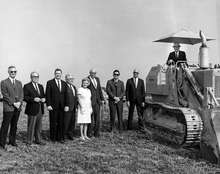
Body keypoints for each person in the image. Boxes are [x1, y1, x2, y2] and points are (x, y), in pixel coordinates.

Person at [0, 66, 23, 149]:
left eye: (14, 71)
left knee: (14, 125)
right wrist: (13, 103)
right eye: (11, 71)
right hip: (9, 108)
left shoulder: (19, 83)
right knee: (5, 125)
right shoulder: (4, 82)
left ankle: (12, 141)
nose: (13, 73)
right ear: (8, 72)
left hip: (17, 108)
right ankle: (2, 143)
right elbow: (5, 95)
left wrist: (19, 102)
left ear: (16, 72)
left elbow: (21, 94)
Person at [46, 68, 69, 143]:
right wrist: (48, 105)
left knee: (61, 122)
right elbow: (48, 95)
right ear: (54, 74)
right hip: (53, 107)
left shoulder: (64, 83)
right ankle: (53, 138)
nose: (58, 75)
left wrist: (66, 105)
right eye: (57, 73)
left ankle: (60, 138)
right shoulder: (50, 82)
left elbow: (66, 95)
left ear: (61, 74)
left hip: (62, 107)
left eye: (59, 73)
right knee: (53, 122)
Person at [23, 72, 46, 145]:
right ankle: (29, 141)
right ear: (31, 77)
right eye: (34, 76)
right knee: (31, 126)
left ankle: (38, 140)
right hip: (32, 108)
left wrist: (44, 99)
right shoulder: (27, 86)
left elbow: (43, 96)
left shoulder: (41, 86)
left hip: (40, 108)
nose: (36, 78)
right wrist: (33, 99)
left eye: (37, 77)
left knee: (39, 126)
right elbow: (25, 97)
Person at [87, 69, 104, 137]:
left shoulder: (97, 79)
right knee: (90, 118)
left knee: (97, 118)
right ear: (90, 73)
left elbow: (99, 89)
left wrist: (102, 99)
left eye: (94, 73)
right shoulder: (87, 79)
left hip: (97, 102)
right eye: (92, 73)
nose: (93, 74)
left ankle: (96, 133)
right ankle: (89, 133)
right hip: (90, 102)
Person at [64, 74, 77, 140]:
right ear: (66, 79)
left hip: (73, 108)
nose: (71, 80)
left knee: (72, 122)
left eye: (72, 78)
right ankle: (64, 135)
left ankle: (70, 135)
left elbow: (75, 98)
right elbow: (63, 98)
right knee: (66, 122)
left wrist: (76, 107)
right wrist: (65, 105)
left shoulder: (74, 87)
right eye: (69, 79)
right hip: (67, 107)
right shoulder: (64, 86)